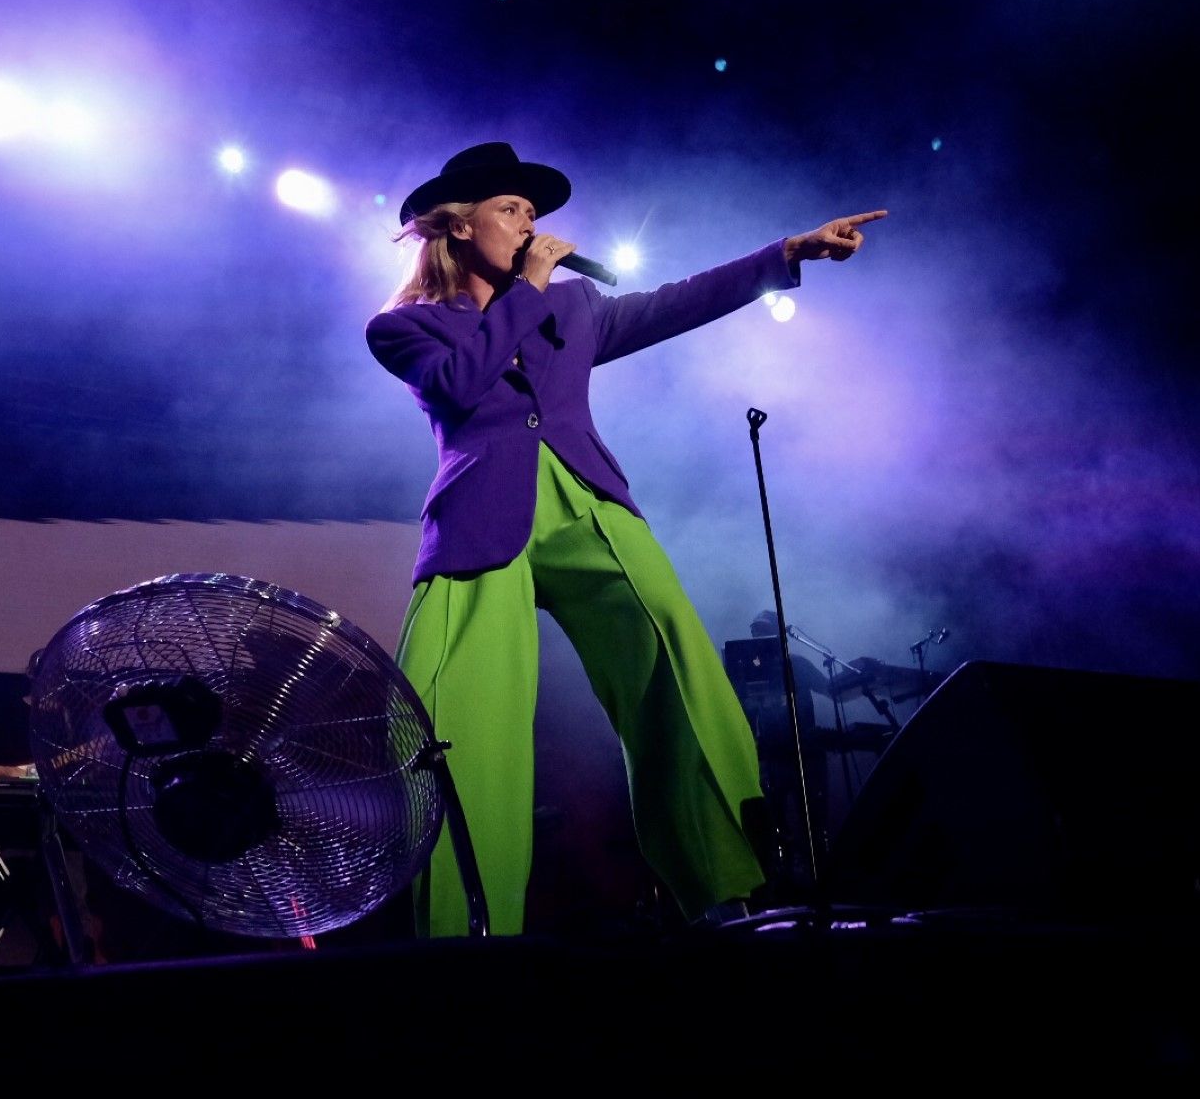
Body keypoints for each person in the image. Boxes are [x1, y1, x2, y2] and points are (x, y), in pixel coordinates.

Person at [366, 141, 885, 939]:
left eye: (534, 215)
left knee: (675, 666)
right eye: (512, 210)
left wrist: (785, 254)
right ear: (460, 226)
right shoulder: (405, 326)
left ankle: (724, 892)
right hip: (479, 519)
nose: (531, 225)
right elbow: (463, 385)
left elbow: (679, 300)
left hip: (589, 503)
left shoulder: (575, 307)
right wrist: (531, 285)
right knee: (454, 723)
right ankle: (466, 933)